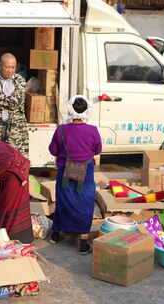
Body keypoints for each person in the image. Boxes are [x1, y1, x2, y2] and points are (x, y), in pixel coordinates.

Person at [48, 96, 102, 254]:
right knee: (84, 204)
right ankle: (83, 241)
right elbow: (97, 150)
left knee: (63, 202)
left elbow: (53, 150)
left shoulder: (61, 130)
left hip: (65, 171)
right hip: (85, 172)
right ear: (87, 110)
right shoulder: (92, 131)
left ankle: (56, 234)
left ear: (70, 109)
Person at [0, 53, 29, 157]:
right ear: (0, 66)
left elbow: (17, 102)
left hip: (15, 128)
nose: (10, 70)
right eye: (7, 67)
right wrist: (9, 100)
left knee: (14, 158)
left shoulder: (20, 81)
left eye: (13, 67)